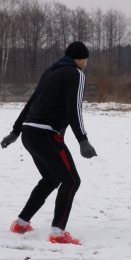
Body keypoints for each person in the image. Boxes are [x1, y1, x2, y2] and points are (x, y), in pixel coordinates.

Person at [1, 41, 97, 244]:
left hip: (29, 133)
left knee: (51, 178)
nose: (86, 63)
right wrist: (83, 140)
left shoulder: (50, 71)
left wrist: (16, 131)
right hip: (46, 135)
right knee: (71, 180)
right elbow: (75, 109)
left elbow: (31, 102)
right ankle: (57, 232)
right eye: (86, 59)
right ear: (80, 59)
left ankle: (21, 222)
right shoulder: (76, 74)